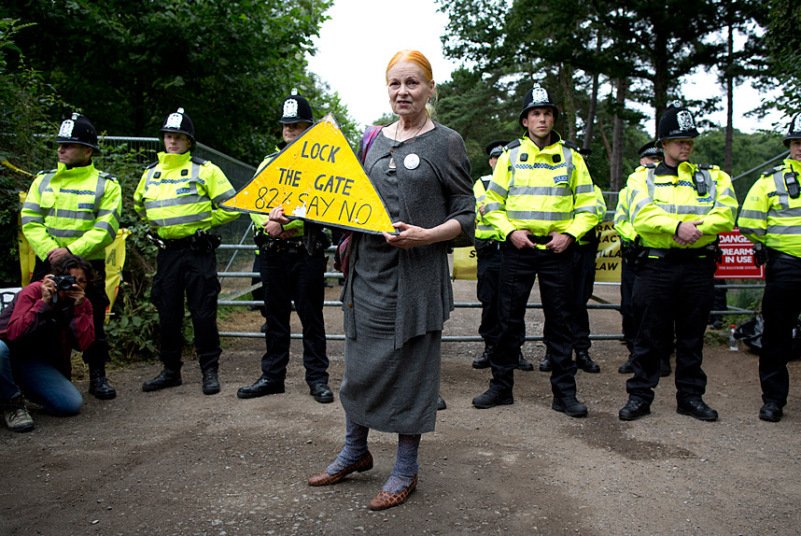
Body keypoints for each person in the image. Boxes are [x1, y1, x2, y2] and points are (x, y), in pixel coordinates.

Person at [306, 50, 474, 510]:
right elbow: (343, 202)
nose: (404, 92)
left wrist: (426, 236)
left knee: (413, 372)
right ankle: (355, 451)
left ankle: (405, 467)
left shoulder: (447, 142)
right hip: (368, 275)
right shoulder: (372, 140)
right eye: (395, 83)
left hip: (417, 279)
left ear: (430, 88)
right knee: (360, 367)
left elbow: (467, 215)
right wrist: (290, 211)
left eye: (413, 83)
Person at [471, 85, 599, 418]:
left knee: (561, 322)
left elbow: (590, 205)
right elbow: (490, 204)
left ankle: (564, 393)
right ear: (525, 120)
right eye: (535, 114)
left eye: (547, 113)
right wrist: (510, 231)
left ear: (553, 118)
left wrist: (570, 234)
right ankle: (501, 386)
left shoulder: (572, 157)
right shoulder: (511, 156)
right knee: (507, 319)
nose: (542, 119)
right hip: (518, 249)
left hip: (559, 250)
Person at [618, 103, 736, 422]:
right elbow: (641, 215)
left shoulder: (713, 177)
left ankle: (691, 397)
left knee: (691, 336)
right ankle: (640, 396)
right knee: (647, 336)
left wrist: (695, 230)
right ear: (664, 143)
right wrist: (677, 227)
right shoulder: (642, 178)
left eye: (689, 140)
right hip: (656, 267)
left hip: (697, 265)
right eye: (678, 140)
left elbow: (725, 213)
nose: (685, 145)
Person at [237, 93, 333, 404]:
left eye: (298, 126)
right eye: (287, 127)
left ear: (309, 129)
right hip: (273, 252)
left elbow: (326, 205)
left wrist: (287, 223)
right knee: (274, 316)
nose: (291, 132)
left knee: (311, 318)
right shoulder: (268, 163)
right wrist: (268, 222)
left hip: (306, 251)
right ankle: (272, 376)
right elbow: (252, 200)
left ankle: (317, 378)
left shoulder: (320, 165)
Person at [136, 108, 239, 395]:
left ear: (188, 141)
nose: (172, 142)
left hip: (197, 252)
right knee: (167, 313)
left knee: (203, 312)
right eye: (168, 136)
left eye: (178, 137)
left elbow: (232, 206)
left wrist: (206, 223)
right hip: (167, 253)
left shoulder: (205, 170)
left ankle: (209, 371)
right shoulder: (150, 174)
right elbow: (138, 207)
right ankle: (170, 370)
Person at [21, 112, 121, 401]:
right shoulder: (43, 180)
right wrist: (50, 252)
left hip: (88, 264)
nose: (61, 149)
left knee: (93, 317)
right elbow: (30, 220)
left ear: (88, 151)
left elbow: (106, 227)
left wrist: (72, 253)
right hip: (48, 259)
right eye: (60, 144)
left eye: (69, 145)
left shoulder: (106, 184)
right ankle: (45, 375)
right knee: (40, 317)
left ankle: (97, 375)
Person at [738, 112, 801, 422]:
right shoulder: (771, 181)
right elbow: (749, 221)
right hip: (786, 267)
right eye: (796, 142)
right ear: (789, 145)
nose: (800, 147)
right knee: (776, 336)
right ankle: (773, 400)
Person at [0, 255, 95, 431]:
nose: (74, 285)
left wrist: (79, 309)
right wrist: (43, 303)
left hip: (31, 362)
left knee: (70, 404)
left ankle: (19, 388)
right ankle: (12, 403)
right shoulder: (34, 291)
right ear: (56, 278)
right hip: (7, 352)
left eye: (81, 281)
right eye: (69, 279)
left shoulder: (81, 303)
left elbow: (84, 345)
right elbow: (14, 333)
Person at [538, 142, 605, 375]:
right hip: (561, 251)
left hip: (582, 252)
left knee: (579, 303)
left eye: (583, 159)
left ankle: (582, 350)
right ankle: (551, 352)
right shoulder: (557, 185)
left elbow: (596, 212)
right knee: (556, 304)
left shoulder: (592, 189)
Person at [471, 140, 533, 372]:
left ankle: (514, 351)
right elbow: (484, 210)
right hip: (489, 251)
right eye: (495, 157)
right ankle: (490, 348)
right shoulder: (483, 183)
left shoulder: (521, 180)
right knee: (489, 302)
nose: (499, 161)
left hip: (513, 250)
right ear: (490, 161)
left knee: (514, 303)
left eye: (502, 156)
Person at [616, 141, 672, 376]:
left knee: (663, 310)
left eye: (658, 160)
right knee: (630, 307)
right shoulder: (630, 188)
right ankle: (635, 354)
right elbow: (621, 219)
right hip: (636, 256)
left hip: (661, 256)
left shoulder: (670, 186)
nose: (653, 164)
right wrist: (637, 237)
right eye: (650, 160)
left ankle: (663, 356)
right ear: (642, 161)